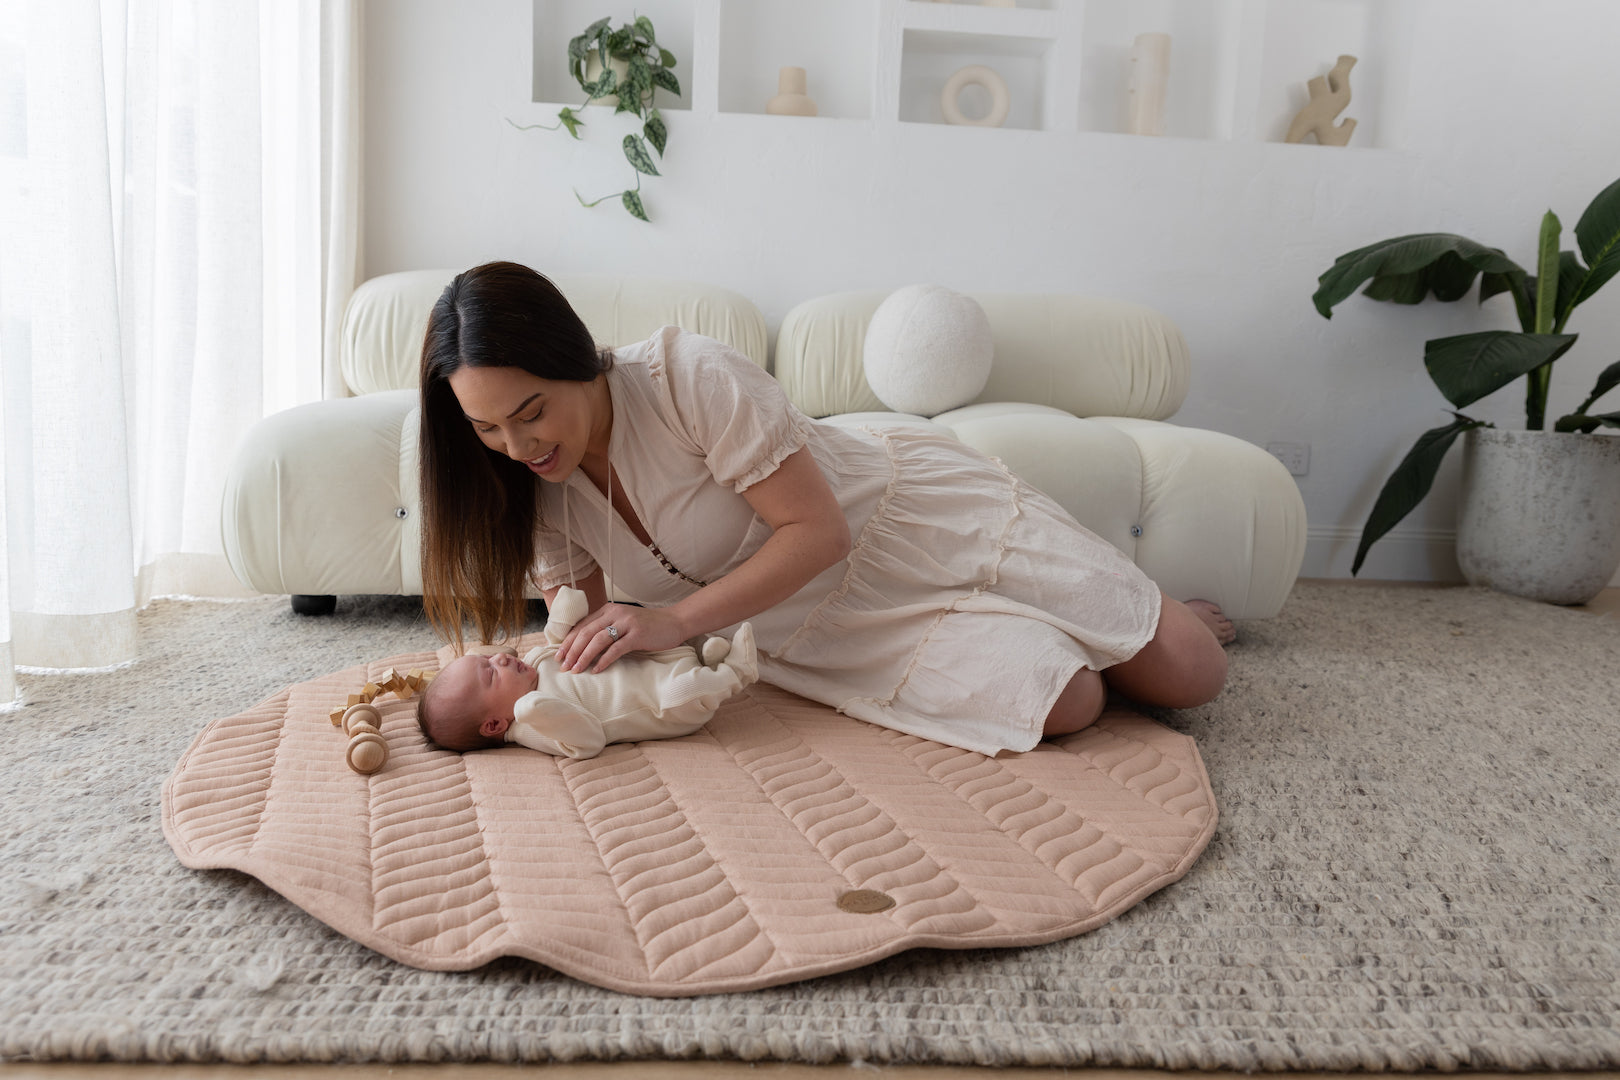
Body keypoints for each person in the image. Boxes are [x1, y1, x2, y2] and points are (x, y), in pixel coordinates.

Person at [418, 261, 1231, 758]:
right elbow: (586, 628)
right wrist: (539, 695)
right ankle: (1089, 635)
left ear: (574, 358)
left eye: (530, 412)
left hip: (892, 523)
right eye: (487, 428)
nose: (519, 446)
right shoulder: (521, 483)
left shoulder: (685, 378)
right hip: (804, 625)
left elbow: (820, 530)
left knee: (1193, 673)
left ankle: (1141, 611)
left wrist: (673, 622)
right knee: (1072, 705)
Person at [418, 585, 759, 757]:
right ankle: (734, 674)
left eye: (488, 659)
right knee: (681, 692)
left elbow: (561, 642)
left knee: (663, 643)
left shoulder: (532, 665)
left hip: (646, 664)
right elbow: (588, 742)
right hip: (659, 704)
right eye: (490, 674)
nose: (501, 660)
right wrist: (540, 709)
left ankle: (706, 657)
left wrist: (563, 617)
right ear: (494, 724)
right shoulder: (531, 726)